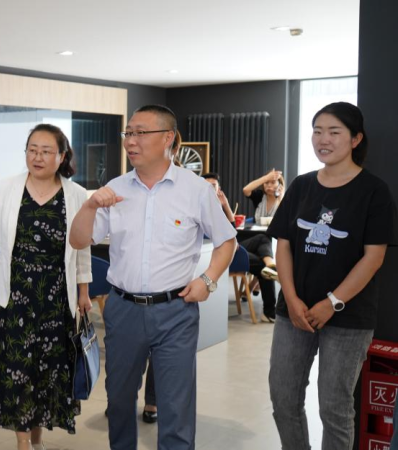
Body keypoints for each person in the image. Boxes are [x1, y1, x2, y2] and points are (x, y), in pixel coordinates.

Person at [70, 105, 237, 450]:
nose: (130, 141)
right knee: (118, 400)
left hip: (176, 310)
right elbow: (78, 240)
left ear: (168, 138)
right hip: (123, 309)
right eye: (128, 133)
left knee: (176, 406)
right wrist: (89, 206)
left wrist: (208, 281)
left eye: (140, 133)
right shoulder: (115, 189)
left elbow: (227, 241)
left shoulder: (196, 190)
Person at [267, 102, 396, 450]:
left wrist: (332, 302)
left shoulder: (374, 191)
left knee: (334, 408)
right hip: (294, 312)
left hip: (348, 316)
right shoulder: (301, 185)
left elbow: (374, 257)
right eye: (317, 131)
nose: (323, 139)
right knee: (283, 398)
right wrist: (291, 298)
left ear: (355, 139)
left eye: (334, 132)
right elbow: (283, 245)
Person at [0, 124, 92, 450]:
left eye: (46, 151)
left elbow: (81, 249)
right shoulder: (7, 187)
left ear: (62, 156)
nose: (37, 157)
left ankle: (37, 440)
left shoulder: (76, 194)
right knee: (17, 369)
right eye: (32, 150)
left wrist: (83, 292)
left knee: (46, 372)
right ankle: (23, 443)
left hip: (56, 298)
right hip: (14, 297)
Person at [203, 172, 278, 321]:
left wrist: (225, 205)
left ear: (219, 189)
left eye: (214, 186)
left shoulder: (217, 205)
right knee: (262, 265)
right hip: (221, 253)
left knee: (262, 238)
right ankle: (269, 312)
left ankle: (270, 264)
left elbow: (232, 230)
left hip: (231, 245)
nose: (210, 189)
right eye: (207, 186)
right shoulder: (202, 206)